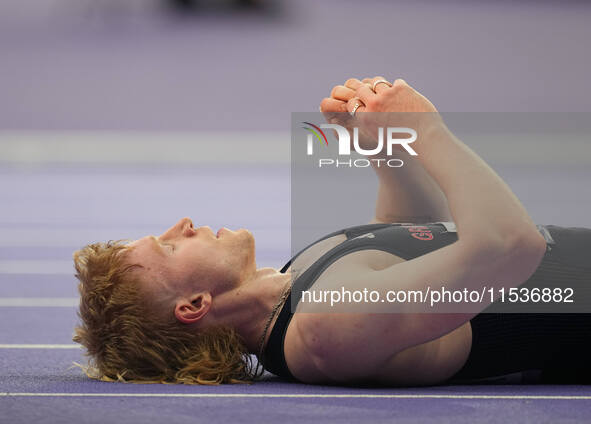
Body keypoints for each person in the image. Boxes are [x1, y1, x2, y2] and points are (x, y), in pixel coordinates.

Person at [73, 77, 591, 385]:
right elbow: (507, 247)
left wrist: (387, 150)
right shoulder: (327, 328)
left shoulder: (299, 285)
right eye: (166, 245)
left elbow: (411, 236)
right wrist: (428, 130)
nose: (181, 224)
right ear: (193, 305)